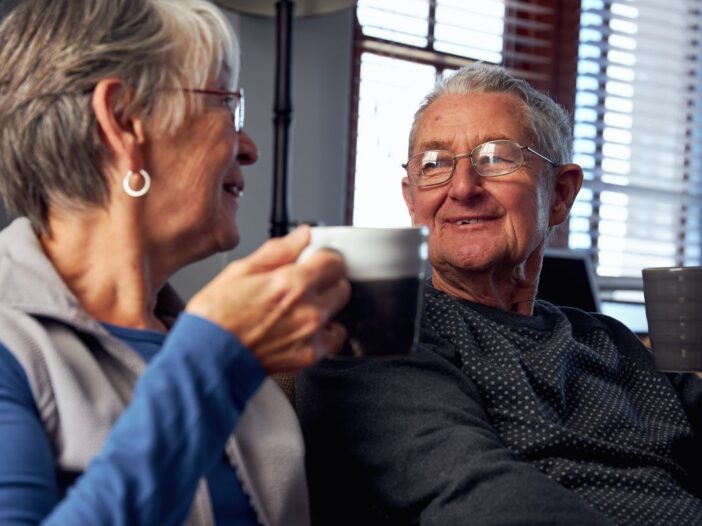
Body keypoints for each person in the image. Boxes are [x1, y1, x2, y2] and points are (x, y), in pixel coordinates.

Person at [296, 63, 702, 525]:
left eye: (496, 157)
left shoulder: (611, 341)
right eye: (434, 164)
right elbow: (482, 502)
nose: (463, 187)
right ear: (412, 200)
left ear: (561, 194)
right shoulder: (378, 328)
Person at [0, 0, 350, 524]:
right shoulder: (15, 344)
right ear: (123, 122)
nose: (249, 147)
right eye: (226, 104)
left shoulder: (224, 344)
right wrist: (216, 359)